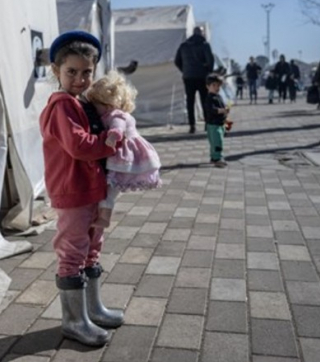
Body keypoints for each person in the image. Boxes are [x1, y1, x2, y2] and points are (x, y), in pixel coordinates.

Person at [40, 31, 124, 347]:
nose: (79, 78)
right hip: (71, 190)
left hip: (91, 188)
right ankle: (74, 321)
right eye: (71, 71)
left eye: (86, 72)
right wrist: (111, 143)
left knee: (92, 246)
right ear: (56, 71)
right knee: (72, 251)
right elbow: (79, 146)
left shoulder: (83, 102)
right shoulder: (61, 105)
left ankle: (93, 309)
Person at [86, 72, 162, 228]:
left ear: (107, 105)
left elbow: (117, 128)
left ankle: (104, 219)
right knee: (110, 190)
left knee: (109, 190)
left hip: (125, 157)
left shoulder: (116, 115)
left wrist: (112, 137)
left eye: (96, 105)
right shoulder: (118, 113)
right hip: (128, 156)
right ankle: (104, 217)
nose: (95, 109)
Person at [174, 26, 215, 133]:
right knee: (205, 101)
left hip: (188, 77)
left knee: (190, 102)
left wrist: (185, 70)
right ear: (201, 33)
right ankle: (208, 123)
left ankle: (192, 125)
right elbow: (210, 61)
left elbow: (177, 61)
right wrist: (208, 71)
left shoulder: (184, 46)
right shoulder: (205, 45)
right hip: (202, 76)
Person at [204, 73, 230, 167]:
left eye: (218, 85)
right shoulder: (209, 98)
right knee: (217, 142)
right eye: (213, 85)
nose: (216, 87)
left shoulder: (218, 96)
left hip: (219, 123)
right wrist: (222, 110)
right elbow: (212, 110)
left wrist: (226, 110)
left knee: (217, 141)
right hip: (213, 125)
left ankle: (213, 157)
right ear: (207, 86)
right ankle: (217, 158)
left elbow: (221, 106)